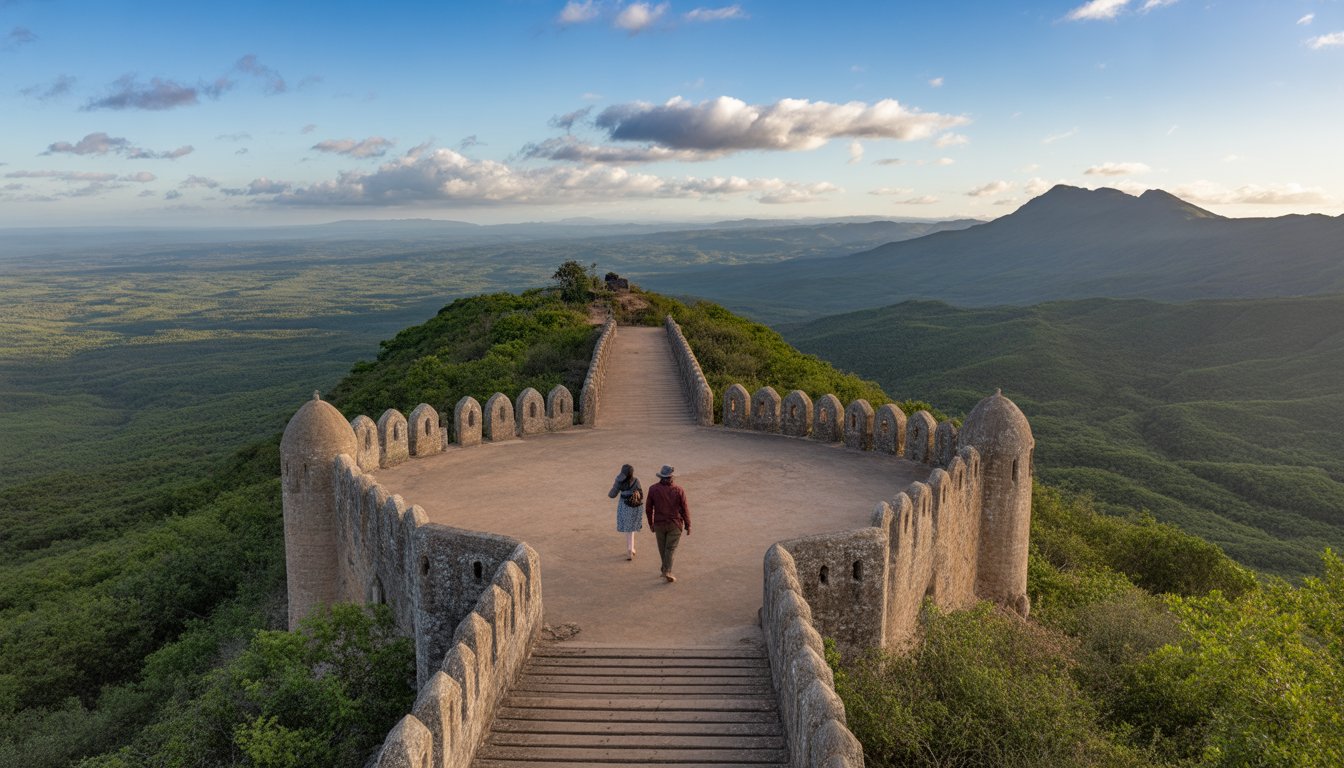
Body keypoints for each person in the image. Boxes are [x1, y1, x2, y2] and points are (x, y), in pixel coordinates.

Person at [644, 465, 690, 583]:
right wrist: (688, 525)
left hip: (659, 524)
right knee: (670, 549)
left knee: (663, 548)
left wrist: (651, 523)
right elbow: (685, 509)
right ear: (671, 478)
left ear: (661, 477)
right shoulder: (679, 490)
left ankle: (665, 568)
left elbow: (649, 509)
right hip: (675, 524)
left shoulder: (653, 489)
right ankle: (667, 571)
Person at [607, 463, 643, 560]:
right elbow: (641, 494)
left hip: (624, 505)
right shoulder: (636, 480)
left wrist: (614, 487)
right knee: (631, 528)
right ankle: (631, 548)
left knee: (628, 528)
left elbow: (612, 494)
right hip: (634, 505)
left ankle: (630, 549)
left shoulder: (619, 481)